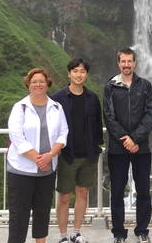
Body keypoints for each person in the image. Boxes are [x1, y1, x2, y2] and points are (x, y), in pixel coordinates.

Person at [7, 68, 68, 243]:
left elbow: (63, 134)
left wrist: (49, 156)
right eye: (34, 81)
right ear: (28, 84)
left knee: (42, 211)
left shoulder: (56, 107)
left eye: (42, 81)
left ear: (47, 83)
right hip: (21, 170)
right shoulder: (20, 108)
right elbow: (17, 137)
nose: (38, 84)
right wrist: (39, 159)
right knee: (19, 213)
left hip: (47, 170)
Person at [103, 47, 152, 243]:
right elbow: (108, 117)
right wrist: (127, 140)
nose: (126, 65)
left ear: (135, 63)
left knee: (143, 190)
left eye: (130, 61)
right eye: (123, 61)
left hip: (141, 148)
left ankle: (142, 230)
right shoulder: (111, 86)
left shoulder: (145, 86)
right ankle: (119, 233)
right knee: (117, 191)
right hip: (118, 149)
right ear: (118, 63)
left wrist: (135, 139)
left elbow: (150, 114)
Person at [51, 58, 104, 243]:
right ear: (69, 73)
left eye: (82, 71)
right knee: (65, 195)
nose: (78, 74)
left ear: (86, 74)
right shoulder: (57, 98)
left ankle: (76, 232)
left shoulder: (92, 98)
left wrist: (97, 146)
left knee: (83, 193)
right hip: (67, 154)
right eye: (75, 71)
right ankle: (63, 235)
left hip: (89, 154)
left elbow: (98, 123)